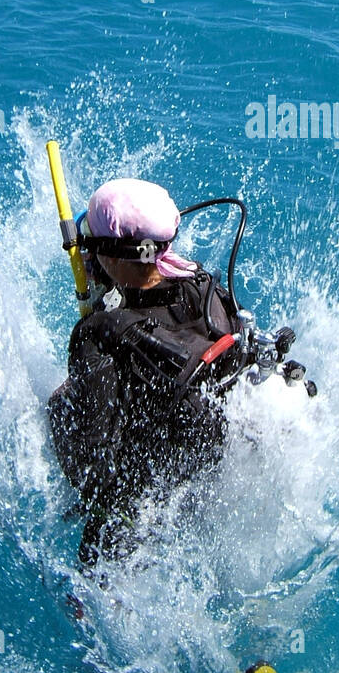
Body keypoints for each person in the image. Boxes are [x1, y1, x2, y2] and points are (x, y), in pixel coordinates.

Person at [47, 178, 246, 565]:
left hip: (138, 502)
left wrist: (59, 409)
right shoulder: (202, 287)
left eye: (91, 237)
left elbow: (91, 469)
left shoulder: (101, 334)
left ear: (115, 256)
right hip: (207, 468)